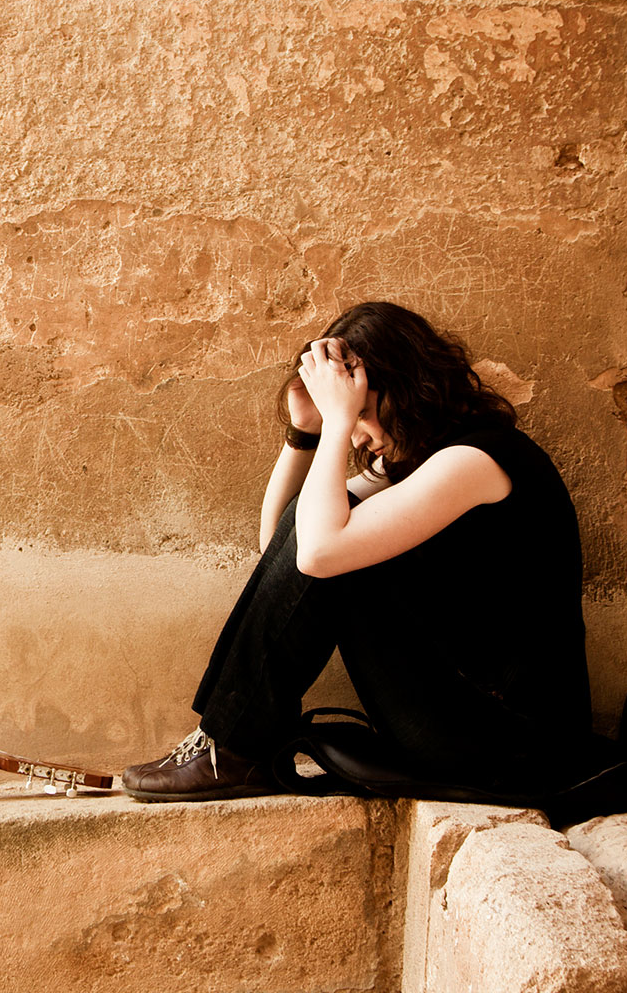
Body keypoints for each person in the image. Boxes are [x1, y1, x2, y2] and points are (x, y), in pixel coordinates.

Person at [122, 301, 597, 802]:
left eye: (362, 412)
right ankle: (229, 746)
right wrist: (304, 433)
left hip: (511, 744)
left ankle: (234, 748)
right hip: (466, 717)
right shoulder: (418, 460)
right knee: (329, 522)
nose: (355, 434)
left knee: (337, 538)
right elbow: (284, 556)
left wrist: (336, 420)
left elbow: (317, 556)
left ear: (408, 389)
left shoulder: (474, 461)